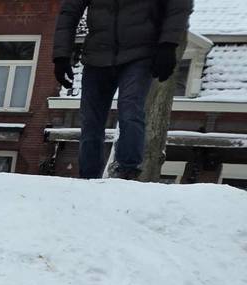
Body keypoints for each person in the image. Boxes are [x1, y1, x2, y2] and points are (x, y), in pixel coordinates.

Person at [53, 0, 192, 180]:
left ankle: (128, 171)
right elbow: (69, 11)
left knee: (130, 107)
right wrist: (61, 56)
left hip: (140, 53)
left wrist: (168, 45)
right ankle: (88, 177)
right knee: (90, 120)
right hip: (97, 55)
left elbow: (178, 6)